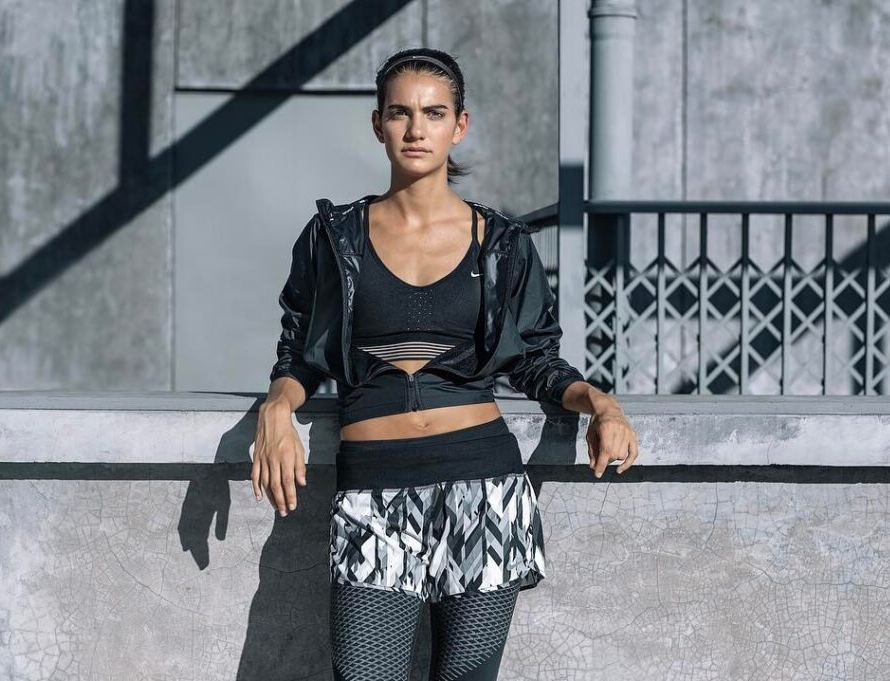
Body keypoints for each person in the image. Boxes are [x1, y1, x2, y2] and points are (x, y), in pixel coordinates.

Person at [253, 47, 639, 681]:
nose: (416, 129)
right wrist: (276, 407)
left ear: (459, 125)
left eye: (434, 113)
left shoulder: (502, 243)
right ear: (378, 124)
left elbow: (535, 359)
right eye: (399, 113)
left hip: (484, 491)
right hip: (374, 492)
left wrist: (602, 403)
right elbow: (301, 353)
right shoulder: (333, 237)